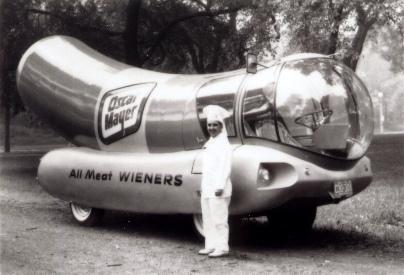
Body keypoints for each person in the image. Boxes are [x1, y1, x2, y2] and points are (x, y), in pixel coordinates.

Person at [199, 105, 233, 258]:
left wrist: (219, 186)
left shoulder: (223, 144)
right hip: (207, 188)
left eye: (215, 125)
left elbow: (225, 167)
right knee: (208, 217)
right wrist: (203, 187)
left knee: (219, 219)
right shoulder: (210, 143)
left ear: (221, 126)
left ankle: (222, 247)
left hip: (219, 188)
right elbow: (207, 168)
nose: (211, 128)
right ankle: (211, 245)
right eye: (209, 125)